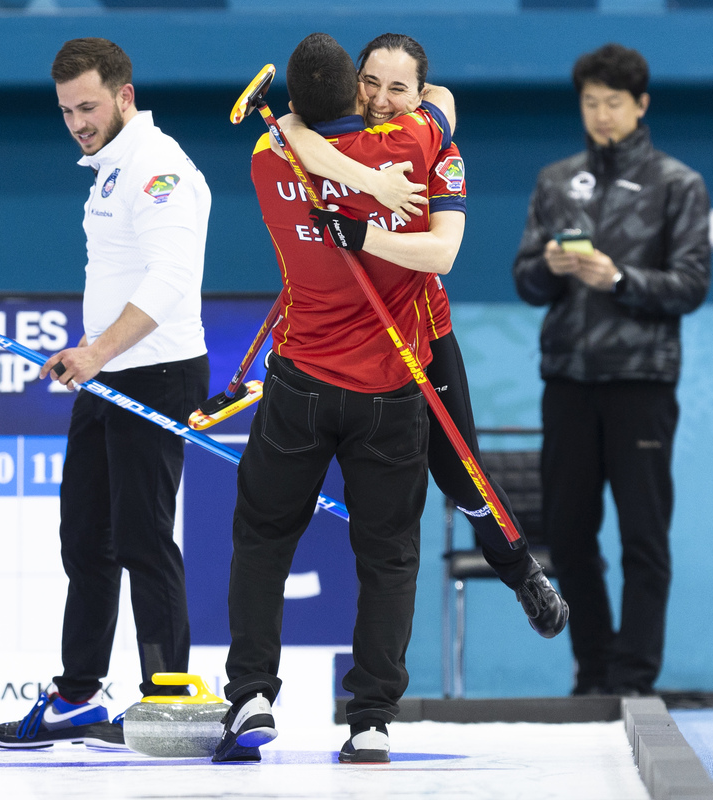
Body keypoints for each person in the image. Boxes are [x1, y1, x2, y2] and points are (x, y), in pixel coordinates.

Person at [279, 33, 568, 638]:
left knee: (461, 473)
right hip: (339, 345)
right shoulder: (328, 131)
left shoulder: (434, 143)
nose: (382, 100)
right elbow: (289, 130)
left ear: (419, 92)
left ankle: (520, 572)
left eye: (398, 88)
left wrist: (360, 232)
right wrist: (369, 180)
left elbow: (441, 252)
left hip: (419, 335)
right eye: (371, 83)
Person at [215, 32, 453, 766]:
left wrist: (298, 130)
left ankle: (252, 694)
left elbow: (297, 136)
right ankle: (373, 716)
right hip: (391, 389)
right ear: (358, 91)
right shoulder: (414, 146)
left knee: (263, 541)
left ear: (292, 104)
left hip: (300, 387)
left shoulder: (266, 159)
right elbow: (441, 103)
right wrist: (375, 187)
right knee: (388, 557)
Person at [0, 37, 211, 750]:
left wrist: (97, 351)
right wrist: (93, 357)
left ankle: (166, 696)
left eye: (88, 106)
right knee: (86, 537)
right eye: (65, 110)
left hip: (156, 373)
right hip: (108, 372)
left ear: (124, 96)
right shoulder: (111, 170)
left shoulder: (158, 167)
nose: (77, 122)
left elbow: (170, 276)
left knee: (145, 538)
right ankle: (79, 695)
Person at [513, 43, 710, 696]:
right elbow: (525, 279)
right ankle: (594, 673)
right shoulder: (554, 179)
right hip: (566, 380)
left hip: (641, 382)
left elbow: (690, 283)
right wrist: (552, 267)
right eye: (590, 103)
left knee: (643, 537)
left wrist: (618, 277)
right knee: (568, 535)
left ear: (641, 105)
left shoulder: (677, 184)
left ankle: (634, 678)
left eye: (613, 103)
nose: (600, 115)